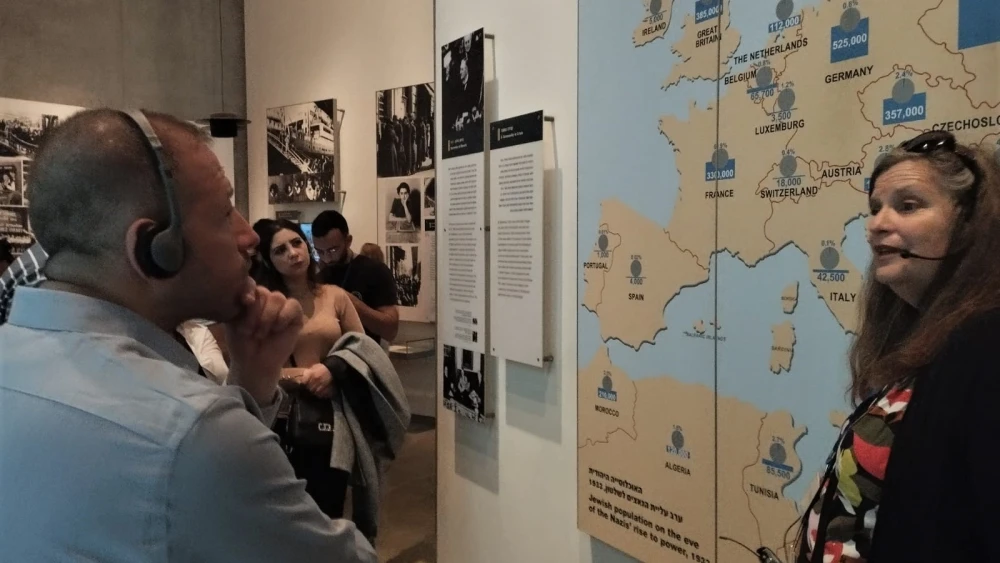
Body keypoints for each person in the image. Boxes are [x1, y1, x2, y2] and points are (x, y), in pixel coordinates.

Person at [0, 108, 376, 562]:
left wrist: (251, 386)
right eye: (223, 212)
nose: (247, 235)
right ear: (153, 249)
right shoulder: (194, 433)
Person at [794, 130, 1000, 563]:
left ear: (969, 225)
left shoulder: (985, 345)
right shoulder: (927, 336)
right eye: (875, 208)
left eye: (908, 206)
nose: (877, 224)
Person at [312, 210, 399, 344]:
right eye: (320, 252)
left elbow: (390, 330)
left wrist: (349, 302)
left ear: (348, 241)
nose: (327, 258)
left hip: (362, 358)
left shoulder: (374, 270)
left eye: (333, 250)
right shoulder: (318, 277)